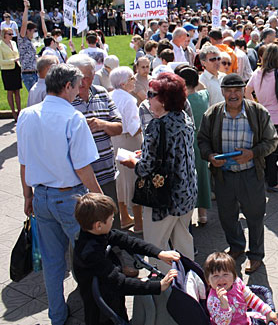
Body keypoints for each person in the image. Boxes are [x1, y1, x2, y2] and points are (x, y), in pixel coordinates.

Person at [17, 64, 102, 325]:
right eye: (77, 85)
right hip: (70, 198)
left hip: (41, 197)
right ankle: (93, 313)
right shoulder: (73, 117)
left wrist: (28, 196)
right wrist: (100, 198)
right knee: (86, 260)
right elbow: (82, 166)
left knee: (53, 264)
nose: (79, 90)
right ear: (67, 86)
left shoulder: (27, 114)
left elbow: (23, 162)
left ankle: (57, 315)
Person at [198, 74, 278, 274]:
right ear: (222, 92)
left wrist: (253, 153)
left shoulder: (258, 113)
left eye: (237, 90)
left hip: (251, 174)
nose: (233, 94)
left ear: (244, 90)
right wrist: (210, 156)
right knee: (227, 216)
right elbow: (202, 140)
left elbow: (272, 141)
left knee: (255, 216)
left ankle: (256, 255)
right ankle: (236, 246)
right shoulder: (212, 114)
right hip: (224, 176)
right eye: (228, 90)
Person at [121, 72, 197, 273]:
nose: (147, 97)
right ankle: (190, 281)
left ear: (163, 100)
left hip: (164, 197)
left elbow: (146, 167)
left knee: (157, 246)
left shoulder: (157, 125)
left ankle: (165, 286)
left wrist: (132, 161)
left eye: (151, 94)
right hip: (186, 193)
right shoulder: (184, 118)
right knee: (183, 241)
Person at [73, 193, 179, 325]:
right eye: (111, 219)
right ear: (98, 225)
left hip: (112, 299)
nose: (113, 221)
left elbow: (129, 241)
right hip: (101, 313)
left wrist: (159, 253)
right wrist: (158, 286)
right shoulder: (90, 253)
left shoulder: (97, 234)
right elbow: (119, 283)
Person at [68, 54, 123, 229]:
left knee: (111, 221)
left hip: (106, 172)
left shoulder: (102, 93)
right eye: (80, 77)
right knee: (83, 228)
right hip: (78, 179)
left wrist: (102, 125)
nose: (84, 82)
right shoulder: (66, 100)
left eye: (88, 77)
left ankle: (115, 254)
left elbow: (119, 127)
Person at [245, 43, 278, 192]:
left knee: (264, 151)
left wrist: (256, 105)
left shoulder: (257, 73)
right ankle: (273, 183)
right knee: (274, 152)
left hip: (262, 117)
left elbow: (247, 91)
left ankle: (266, 179)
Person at [110, 67, 144, 233]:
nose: (134, 80)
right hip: (129, 141)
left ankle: (124, 216)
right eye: (131, 78)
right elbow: (133, 128)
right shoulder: (129, 100)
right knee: (133, 180)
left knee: (121, 181)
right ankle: (138, 222)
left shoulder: (110, 95)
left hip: (114, 141)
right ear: (123, 83)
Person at [204, 252, 278, 325]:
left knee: (272, 320)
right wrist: (224, 306)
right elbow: (223, 323)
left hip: (245, 320)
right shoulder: (213, 300)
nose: (221, 279)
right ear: (208, 281)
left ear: (234, 276)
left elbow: (250, 298)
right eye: (215, 276)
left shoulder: (237, 283)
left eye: (225, 274)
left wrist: (267, 312)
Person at [177, 65, 212, 225]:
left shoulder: (180, 102)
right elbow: (203, 88)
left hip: (186, 145)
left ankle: (188, 216)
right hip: (202, 143)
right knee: (203, 177)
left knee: (187, 179)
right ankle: (203, 214)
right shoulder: (203, 96)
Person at [19, 0, 44, 91]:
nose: (34, 33)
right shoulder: (22, 40)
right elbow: (24, 24)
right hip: (28, 74)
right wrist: (26, 8)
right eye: (33, 31)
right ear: (28, 31)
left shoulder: (30, 42)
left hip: (35, 72)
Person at [0, 27, 22, 120]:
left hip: (16, 68)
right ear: (4, 35)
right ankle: (13, 112)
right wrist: (13, 60)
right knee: (10, 91)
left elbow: (17, 54)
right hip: (7, 70)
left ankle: (19, 110)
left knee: (17, 91)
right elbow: (1, 61)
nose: (11, 36)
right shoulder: (1, 45)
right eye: (9, 34)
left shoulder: (13, 43)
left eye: (12, 34)